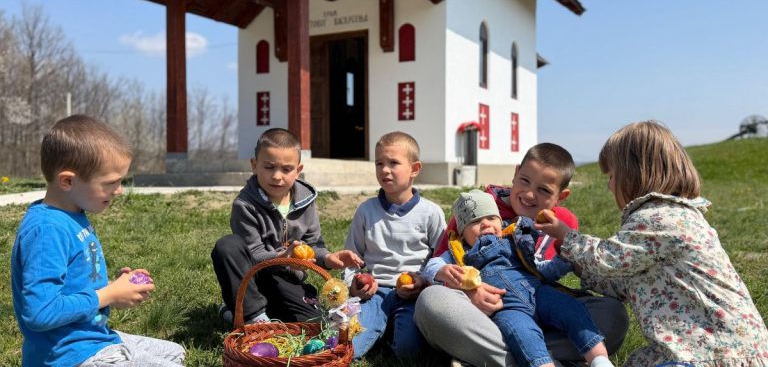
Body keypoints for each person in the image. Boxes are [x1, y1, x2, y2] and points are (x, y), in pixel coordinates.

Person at [537, 121, 768, 366]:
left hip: (718, 351)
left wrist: (566, 236)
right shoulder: (676, 215)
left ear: (633, 173)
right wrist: (577, 266)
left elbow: (609, 259)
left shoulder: (658, 218)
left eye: (612, 176)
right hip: (711, 345)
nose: (608, 185)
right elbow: (627, 284)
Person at [415, 143, 629, 367]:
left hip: (543, 305)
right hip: (488, 316)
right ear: (516, 173)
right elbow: (441, 267)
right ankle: (542, 358)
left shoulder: (562, 223)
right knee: (431, 302)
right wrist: (470, 294)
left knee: (613, 314)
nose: (529, 194)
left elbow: (546, 271)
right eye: (525, 181)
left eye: (544, 190)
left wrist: (569, 257)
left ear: (561, 196)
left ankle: (499, 357)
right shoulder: (476, 206)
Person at [10, 115, 186, 367]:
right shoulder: (47, 230)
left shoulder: (73, 214)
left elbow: (75, 283)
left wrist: (117, 287)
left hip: (90, 337)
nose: (119, 190)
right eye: (110, 183)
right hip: (66, 354)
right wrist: (108, 295)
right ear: (68, 181)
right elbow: (39, 312)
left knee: (175, 353)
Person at [433, 189, 614, 367]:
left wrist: (562, 260)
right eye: (475, 221)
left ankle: (599, 359)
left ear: (500, 221)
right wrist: (441, 271)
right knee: (522, 334)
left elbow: (540, 269)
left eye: (491, 218)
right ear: (462, 233)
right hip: (507, 308)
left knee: (571, 309)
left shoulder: (513, 240)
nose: (485, 224)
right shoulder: (459, 253)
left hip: (538, 292)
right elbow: (432, 266)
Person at [211, 127, 362, 326]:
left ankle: (234, 312)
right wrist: (283, 258)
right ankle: (253, 316)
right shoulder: (245, 205)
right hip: (253, 279)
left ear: (298, 170)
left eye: (286, 169)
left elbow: (312, 244)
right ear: (254, 165)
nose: (277, 176)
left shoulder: (306, 201)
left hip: (288, 280)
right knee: (227, 246)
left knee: (314, 323)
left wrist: (327, 258)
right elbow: (253, 253)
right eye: (269, 167)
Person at [342, 131, 446, 360]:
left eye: (393, 163)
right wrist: (353, 285)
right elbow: (351, 259)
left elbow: (443, 259)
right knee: (351, 348)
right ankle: (379, 324)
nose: (385, 170)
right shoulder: (366, 211)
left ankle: (389, 330)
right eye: (379, 163)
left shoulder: (430, 213)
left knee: (408, 352)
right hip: (374, 293)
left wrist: (424, 282)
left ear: (415, 169)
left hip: (412, 294)